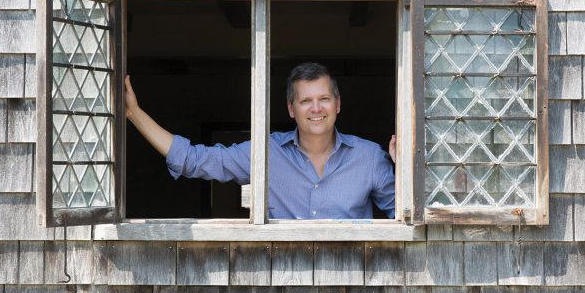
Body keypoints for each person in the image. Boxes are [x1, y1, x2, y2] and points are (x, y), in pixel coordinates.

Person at [125, 62, 396, 219]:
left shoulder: (370, 157)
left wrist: (405, 169)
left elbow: (404, 213)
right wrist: (134, 114)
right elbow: (195, 160)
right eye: (305, 101)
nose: (316, 108)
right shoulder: (266, 153)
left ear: (337, 104)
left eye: (324, 99)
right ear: (291, 109)